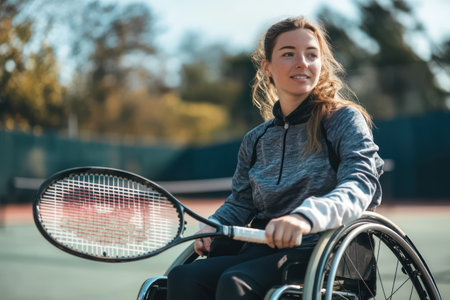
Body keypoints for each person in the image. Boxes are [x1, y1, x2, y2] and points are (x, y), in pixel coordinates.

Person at [167, 16, 384, 300]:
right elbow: (241, 201)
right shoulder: (255, 139)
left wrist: (305, 218)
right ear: (266, 67)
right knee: (183, 277)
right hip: (264, 250)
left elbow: (361, 183)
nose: (302, 63)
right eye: (288, 54)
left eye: (311, 55)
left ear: (321, 64)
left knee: (236, 283)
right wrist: (214, 224)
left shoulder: (343, 119)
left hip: (324, 253)